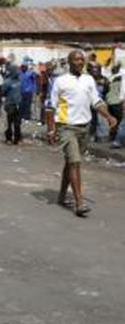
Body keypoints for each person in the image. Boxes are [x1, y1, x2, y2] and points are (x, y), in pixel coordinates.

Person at [46, 50, 117, 217]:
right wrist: (51, 129)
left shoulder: (88, 79)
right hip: (66, 127)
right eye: (76, 60)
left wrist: (108, 116)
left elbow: (96, 101)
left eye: (82, 60)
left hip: (84, 128)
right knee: (75, 162)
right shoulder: (60, 81)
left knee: (70, 162)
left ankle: (62, 196)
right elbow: (50, 107)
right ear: (69, 62)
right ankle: (79, 203)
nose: (80, 62)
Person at [2, 64, 22, 145]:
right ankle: (9, 138)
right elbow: (3, 92)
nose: (18, 73)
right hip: (10, 104)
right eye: (16, 71)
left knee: (17, 123)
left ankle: (17, 138)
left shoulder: (19, 81)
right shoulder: (7, 82)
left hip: (18, 104)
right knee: (9, 122)